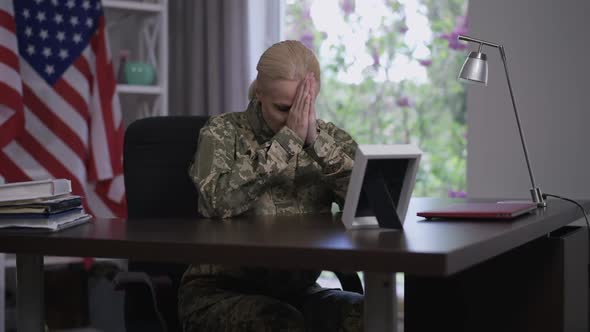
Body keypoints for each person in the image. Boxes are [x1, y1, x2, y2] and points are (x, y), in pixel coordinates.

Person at [179, 40, 362, 332]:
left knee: (364, 315)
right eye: (282, 108)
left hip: (299, 291)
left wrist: (316, 144)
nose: (293, 119)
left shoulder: (329, 140)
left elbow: (365, 203)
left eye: (302, 106)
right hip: (220, 290)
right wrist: (287, 142)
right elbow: (217, 201)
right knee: (280, 323)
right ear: (259, 93)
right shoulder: (222, 132)